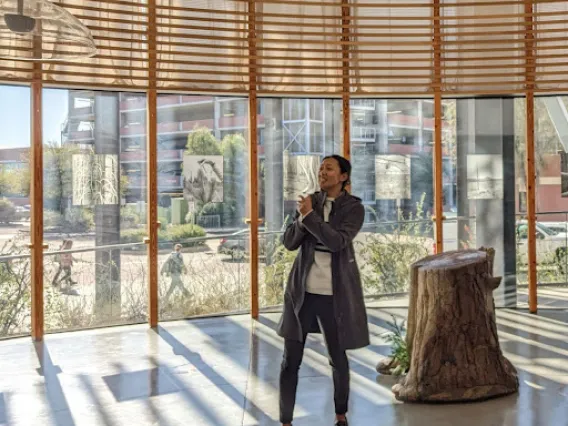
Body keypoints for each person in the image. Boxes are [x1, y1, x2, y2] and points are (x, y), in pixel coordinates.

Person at [277, 155, 370, 426]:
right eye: (321, 168)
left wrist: (309, 217)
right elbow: (289, 243)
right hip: (302, 293)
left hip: (336, 295)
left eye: (329, 168)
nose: (322, 172)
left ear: (343, 176)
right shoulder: (310, 201)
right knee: (289, 361)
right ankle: (285, 420)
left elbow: (337, 242)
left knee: (337, 359)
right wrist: (301, 219)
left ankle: (340, 415)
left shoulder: (354, 208)